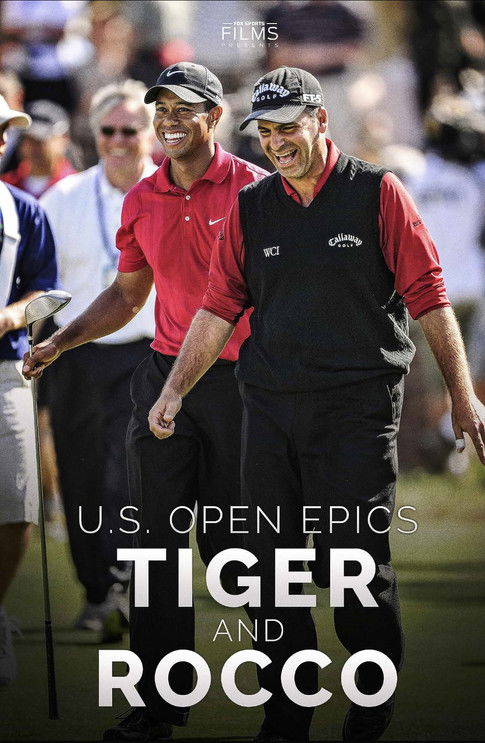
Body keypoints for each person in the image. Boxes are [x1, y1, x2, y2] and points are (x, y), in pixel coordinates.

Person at [142, 67, 485, 742]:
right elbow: (218, 307)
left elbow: (428, 294)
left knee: (349, 562)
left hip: (357, 410)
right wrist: (174, 388)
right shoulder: (252, 206)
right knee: (271, 569)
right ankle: (286, 715)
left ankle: (370, 698)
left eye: (288, 127)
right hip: (270, 409)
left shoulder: (378, 193)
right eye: (265, 132)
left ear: (321, 121)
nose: (276, 142)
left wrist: (462, 393)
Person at [22, 62, 268, 739]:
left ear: (214, 117)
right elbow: (129, 295)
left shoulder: (257, 192)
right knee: (153, 547)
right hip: (163, 380)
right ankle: (158, 705)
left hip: (242, 386)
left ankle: (286, 691)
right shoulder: (142, 198)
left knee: (235, 548)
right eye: (162, 109)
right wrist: (61, 341)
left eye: (185, 109)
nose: (170, 121)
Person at [38, 80, 157, 637]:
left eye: (130, 130)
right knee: (80, 476)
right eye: (108, 130)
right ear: (95, 133)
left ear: (150, 134)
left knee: (126, 478)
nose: (118, 140)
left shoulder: (171, 193)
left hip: (147, 355)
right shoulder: (62, 199)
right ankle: (95, 593)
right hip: (74, 356)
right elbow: (39, 282)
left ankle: (127, 584)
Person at [0, 95, 57, 686]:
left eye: (4, 131)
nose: (1, 140)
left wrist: (13, 317)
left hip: (4, 367)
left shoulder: (23, 210)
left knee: (17, 504)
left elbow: (47, 291)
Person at [1, 99, 76, 198]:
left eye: (41, 139)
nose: (34, 147)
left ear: (64, 138)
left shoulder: (78, 187)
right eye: (28, 138)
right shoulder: (6, 185)